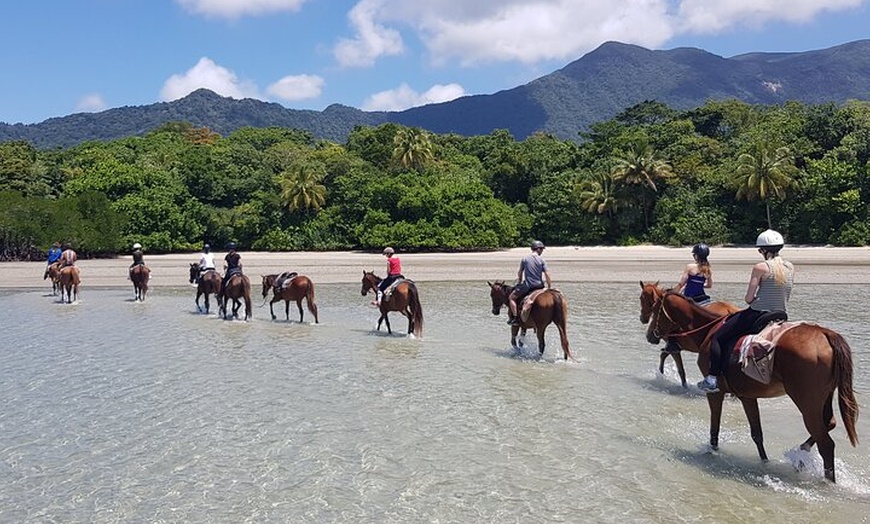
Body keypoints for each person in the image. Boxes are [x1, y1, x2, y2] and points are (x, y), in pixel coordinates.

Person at [697, 229, 794, 393]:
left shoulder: (761, 267)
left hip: (758, 315)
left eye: (759, 250)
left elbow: (748, 298)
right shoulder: (790, 267)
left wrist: (756, 299)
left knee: (717, 338)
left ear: (763, 250)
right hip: (781, 314)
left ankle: (712, 379)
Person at [507, 240, 552, 325]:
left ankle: (516, 318)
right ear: (538, 249)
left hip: (528, 285)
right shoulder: (542, 260)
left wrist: (519, 281)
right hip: (539, 286)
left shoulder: (525, 259)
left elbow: (520, 272)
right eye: (541, 249)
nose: (542, 251)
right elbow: (547, 274)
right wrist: (549, 287)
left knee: (511, 298)